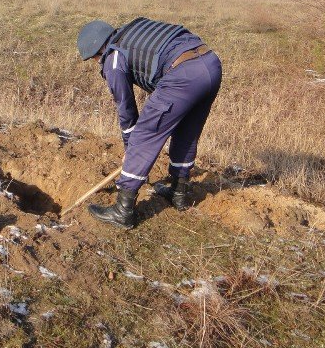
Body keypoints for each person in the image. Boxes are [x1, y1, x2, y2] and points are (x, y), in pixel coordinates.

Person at [76, 17, 222, 229]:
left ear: (99, 51)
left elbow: (125, 107)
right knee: (187, 131)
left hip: (184, 73)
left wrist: (131, 146)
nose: (96, 62)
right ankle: (179, 193)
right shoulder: (128, 35)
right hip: (210, 63)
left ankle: (123, 211)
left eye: (93, 59)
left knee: (145, 132)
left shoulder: (113, 58)